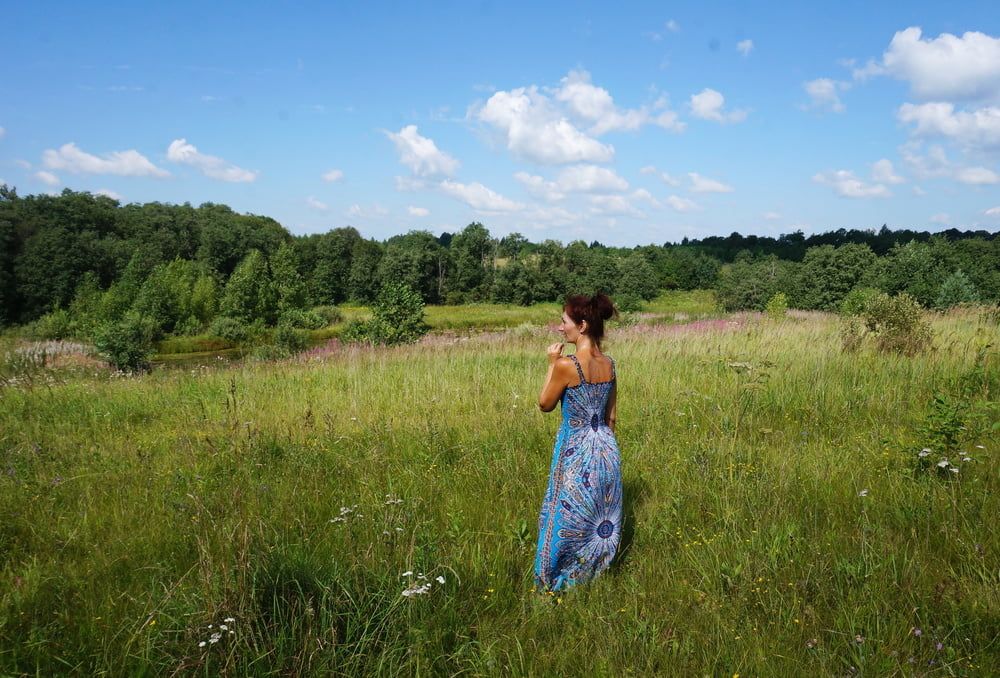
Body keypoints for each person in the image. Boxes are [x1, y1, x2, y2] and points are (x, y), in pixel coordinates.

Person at [534, 292, 621, 592]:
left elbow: (545, 404)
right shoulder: (609, 364)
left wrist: (551, 363)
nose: (561, 328)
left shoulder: (566, 366)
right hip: (606, 449)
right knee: (594, 516)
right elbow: (611, 418)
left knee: (563, 514)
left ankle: (553, 581)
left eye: (564, 322)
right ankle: (592, 574)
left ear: (582, 326)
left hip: (575, 450)